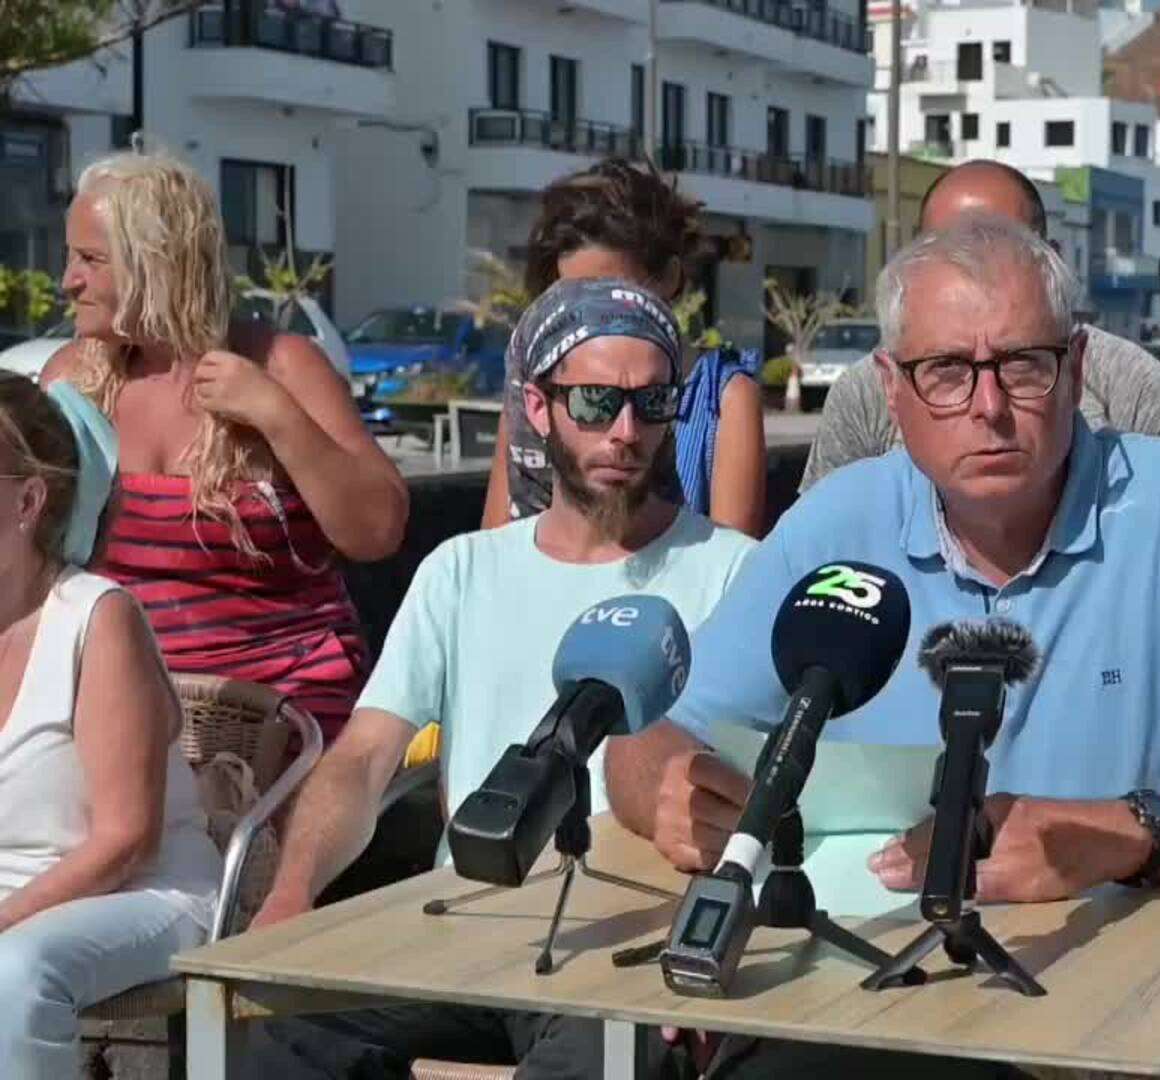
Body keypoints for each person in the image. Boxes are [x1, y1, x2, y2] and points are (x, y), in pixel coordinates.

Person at [609, 215, 1160, 1077]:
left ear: (1075, 371)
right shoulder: (838, 522)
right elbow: (652, 738)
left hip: (1113, 1006)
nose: (988, 409)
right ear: (891, 388)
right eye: (947, 372)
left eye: (1022, 365)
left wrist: (1129, 832)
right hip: (859, 999)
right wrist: (664, 790)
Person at [243, 279, 757, 1077]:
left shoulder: (733, 571)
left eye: (652, 404)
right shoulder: (461, 571)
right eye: (594, 402)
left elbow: (749, 800)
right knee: (280, 1039)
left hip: (626, 953)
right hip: (461, 933)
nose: (625, 432)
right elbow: (364, 758)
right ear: (538, 406)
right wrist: (292, 895)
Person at [43, 150, 406, 742]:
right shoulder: (72, 382)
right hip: (123, 708)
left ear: (155, 265)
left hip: (282, 713)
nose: (68, 281)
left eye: (90, 260)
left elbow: (377, 531)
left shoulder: (280, 367)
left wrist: (277, 416)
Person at [0, 372, 220, 1075]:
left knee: (15, 972)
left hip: (141, 892)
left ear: (27, 501)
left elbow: (126, 839)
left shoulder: (96, 618)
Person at [799, 159, 1160, 491]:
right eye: (950, 249)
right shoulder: (864, 392)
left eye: (1004, 246)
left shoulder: (1133, 385)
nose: (990, 406)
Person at [483, 157, 767, 537]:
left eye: (615, 296)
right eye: (575, 299)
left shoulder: (723, 397)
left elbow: (732, 566)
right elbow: (496, 544)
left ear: (669, 278)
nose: (594, 320)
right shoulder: (538, 393)